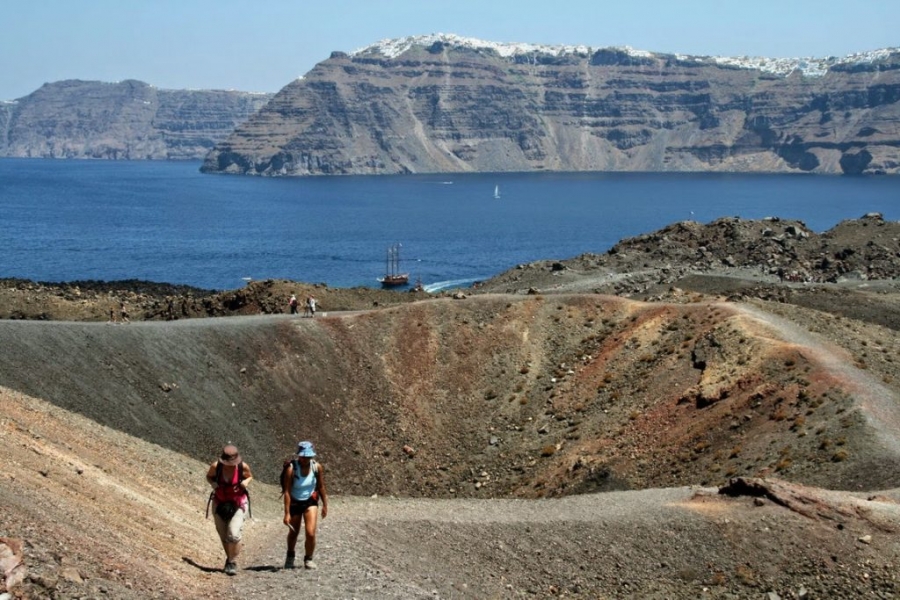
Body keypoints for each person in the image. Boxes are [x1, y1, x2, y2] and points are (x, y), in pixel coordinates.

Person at [206, 444, 253, 576]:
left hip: (238, 502)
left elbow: (250, 476)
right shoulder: (216, 467)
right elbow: (209, 476)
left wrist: (246, 482)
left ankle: (232, 561)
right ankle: (230, 559)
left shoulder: (242, 467)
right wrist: (213, 484)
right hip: (219, 502)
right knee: (223, 534)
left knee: (233, 533)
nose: (230, 464)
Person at [282, 441, 328, 570]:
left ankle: (308, 558)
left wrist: (325, 504)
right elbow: (287, 491)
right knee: (294, 532)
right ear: (299, 456)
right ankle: (290, 556)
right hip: (295, 502)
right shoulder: (292, 469)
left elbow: (321, 486)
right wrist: (286, 513)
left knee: (311, 533)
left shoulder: (316, 467)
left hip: (310, 502)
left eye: (308, 457)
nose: (305, 459)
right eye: (303, 456)